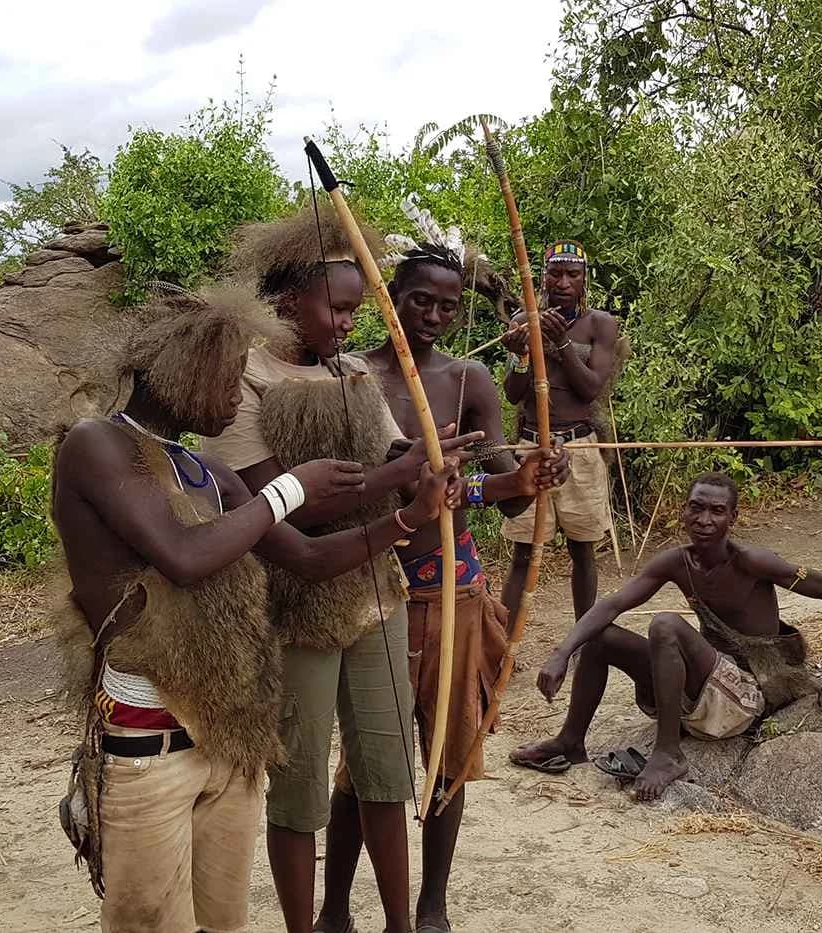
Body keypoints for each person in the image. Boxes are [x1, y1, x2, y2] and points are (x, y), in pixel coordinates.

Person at [49, 281, 462, 933]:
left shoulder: (211, 475)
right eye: (230, 373)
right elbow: (183, 554)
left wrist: (412, 514)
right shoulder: (95, 445)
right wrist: (293, 487)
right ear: (185, 368)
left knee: (224, 922)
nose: (239, 390)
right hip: (144, 749)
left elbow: (309, 559)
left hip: (227, 743)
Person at [197, 204, 485, 933]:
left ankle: (397, 921)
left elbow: (391, 458)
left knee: (386, 775)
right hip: (296, 603)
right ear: (289, 301)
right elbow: (286, 505)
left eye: (359, 306)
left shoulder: (354, 370)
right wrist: (408, 481)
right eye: (340, 305)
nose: (353, 322)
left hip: (376, 597)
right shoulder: (246, 381)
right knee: (297, 792)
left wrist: (432, 473)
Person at [321, 243, 570, 933]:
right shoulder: (349, 377)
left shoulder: (470, 379)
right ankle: (335, 907)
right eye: (419, 300)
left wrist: (525, 479)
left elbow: (503, 496)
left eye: (447, 305)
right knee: (362, 767)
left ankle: (432, 908)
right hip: (376, 594)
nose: (432, 315)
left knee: (447, 757)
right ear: (390, 296)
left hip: (455, 596)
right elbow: (337, 494)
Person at [509, 472, 822, 801]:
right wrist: (564, 652)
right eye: (696, 507)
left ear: (733, 518)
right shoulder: (677, 562)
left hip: (749, 693)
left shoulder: (753, 561)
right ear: (683, 511)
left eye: (717, 511)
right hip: (707, 687)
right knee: (600, 637)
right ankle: (571, 741)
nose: (705, 520)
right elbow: (612, 604)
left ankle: (668, 752)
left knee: (666, 624)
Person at [500, 241, 621, 622]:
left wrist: (563, 344)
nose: (563, 282)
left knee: (582, 550)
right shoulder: (524, 318)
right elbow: (513, 394)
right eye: (555, 273)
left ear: (585, 281)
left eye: (573, 274)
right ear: (543, 277)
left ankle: (585, 640)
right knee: (523, 552)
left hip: (580, 446)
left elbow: (591, 390)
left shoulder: (601, 325)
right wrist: (522, 355)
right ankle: (502, 644)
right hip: (531, 445)